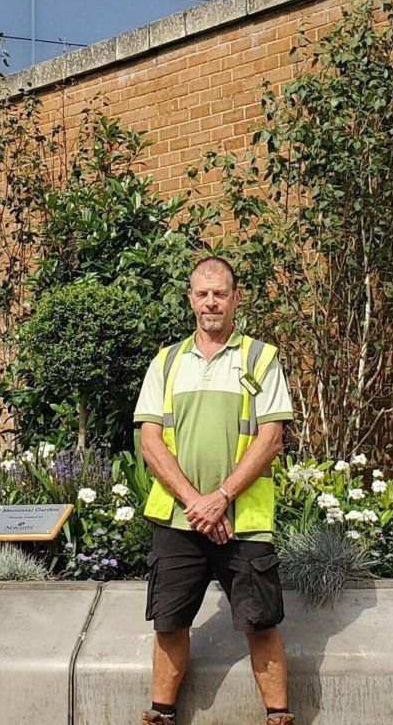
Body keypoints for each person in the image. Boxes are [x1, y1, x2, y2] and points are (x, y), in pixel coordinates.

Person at [134, 256, 296, 725]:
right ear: (190, 300)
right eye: (202, 294)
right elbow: (150, 440)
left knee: (261, 622)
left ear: (235, 298)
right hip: (178, 520)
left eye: (220, 293)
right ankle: (161, 714)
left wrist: (221, 496)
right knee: (169, 623)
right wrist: (195, 502)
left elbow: (270, 439)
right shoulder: (166, 362)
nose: (211, 302)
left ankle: (279, 717)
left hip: (242, 520)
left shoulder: (260, 358)